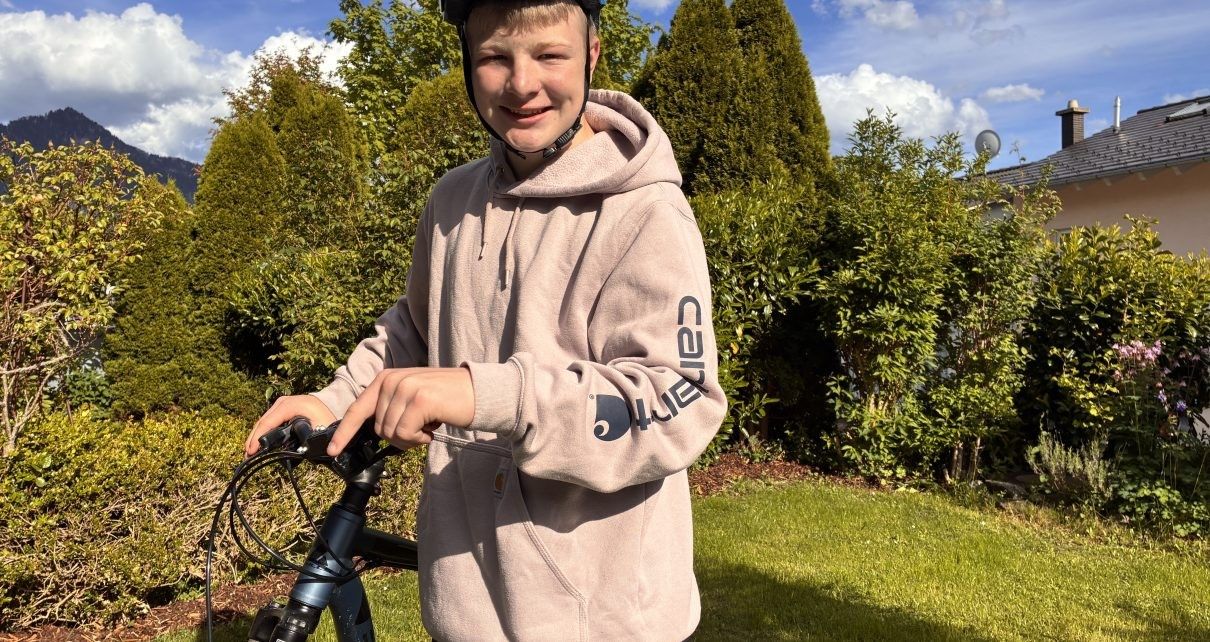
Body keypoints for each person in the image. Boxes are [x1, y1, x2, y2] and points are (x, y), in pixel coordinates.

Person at [245, 0, 725, 639]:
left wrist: (489, 394)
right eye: (495, 57)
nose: (522, 84)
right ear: (469, 64)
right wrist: (333, 398)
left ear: (591, 55)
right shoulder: (452, 199)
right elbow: (415, 329)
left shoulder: (646, 212)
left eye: (550, 55)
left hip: (597, 618)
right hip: (464, 602)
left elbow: (678, 401)